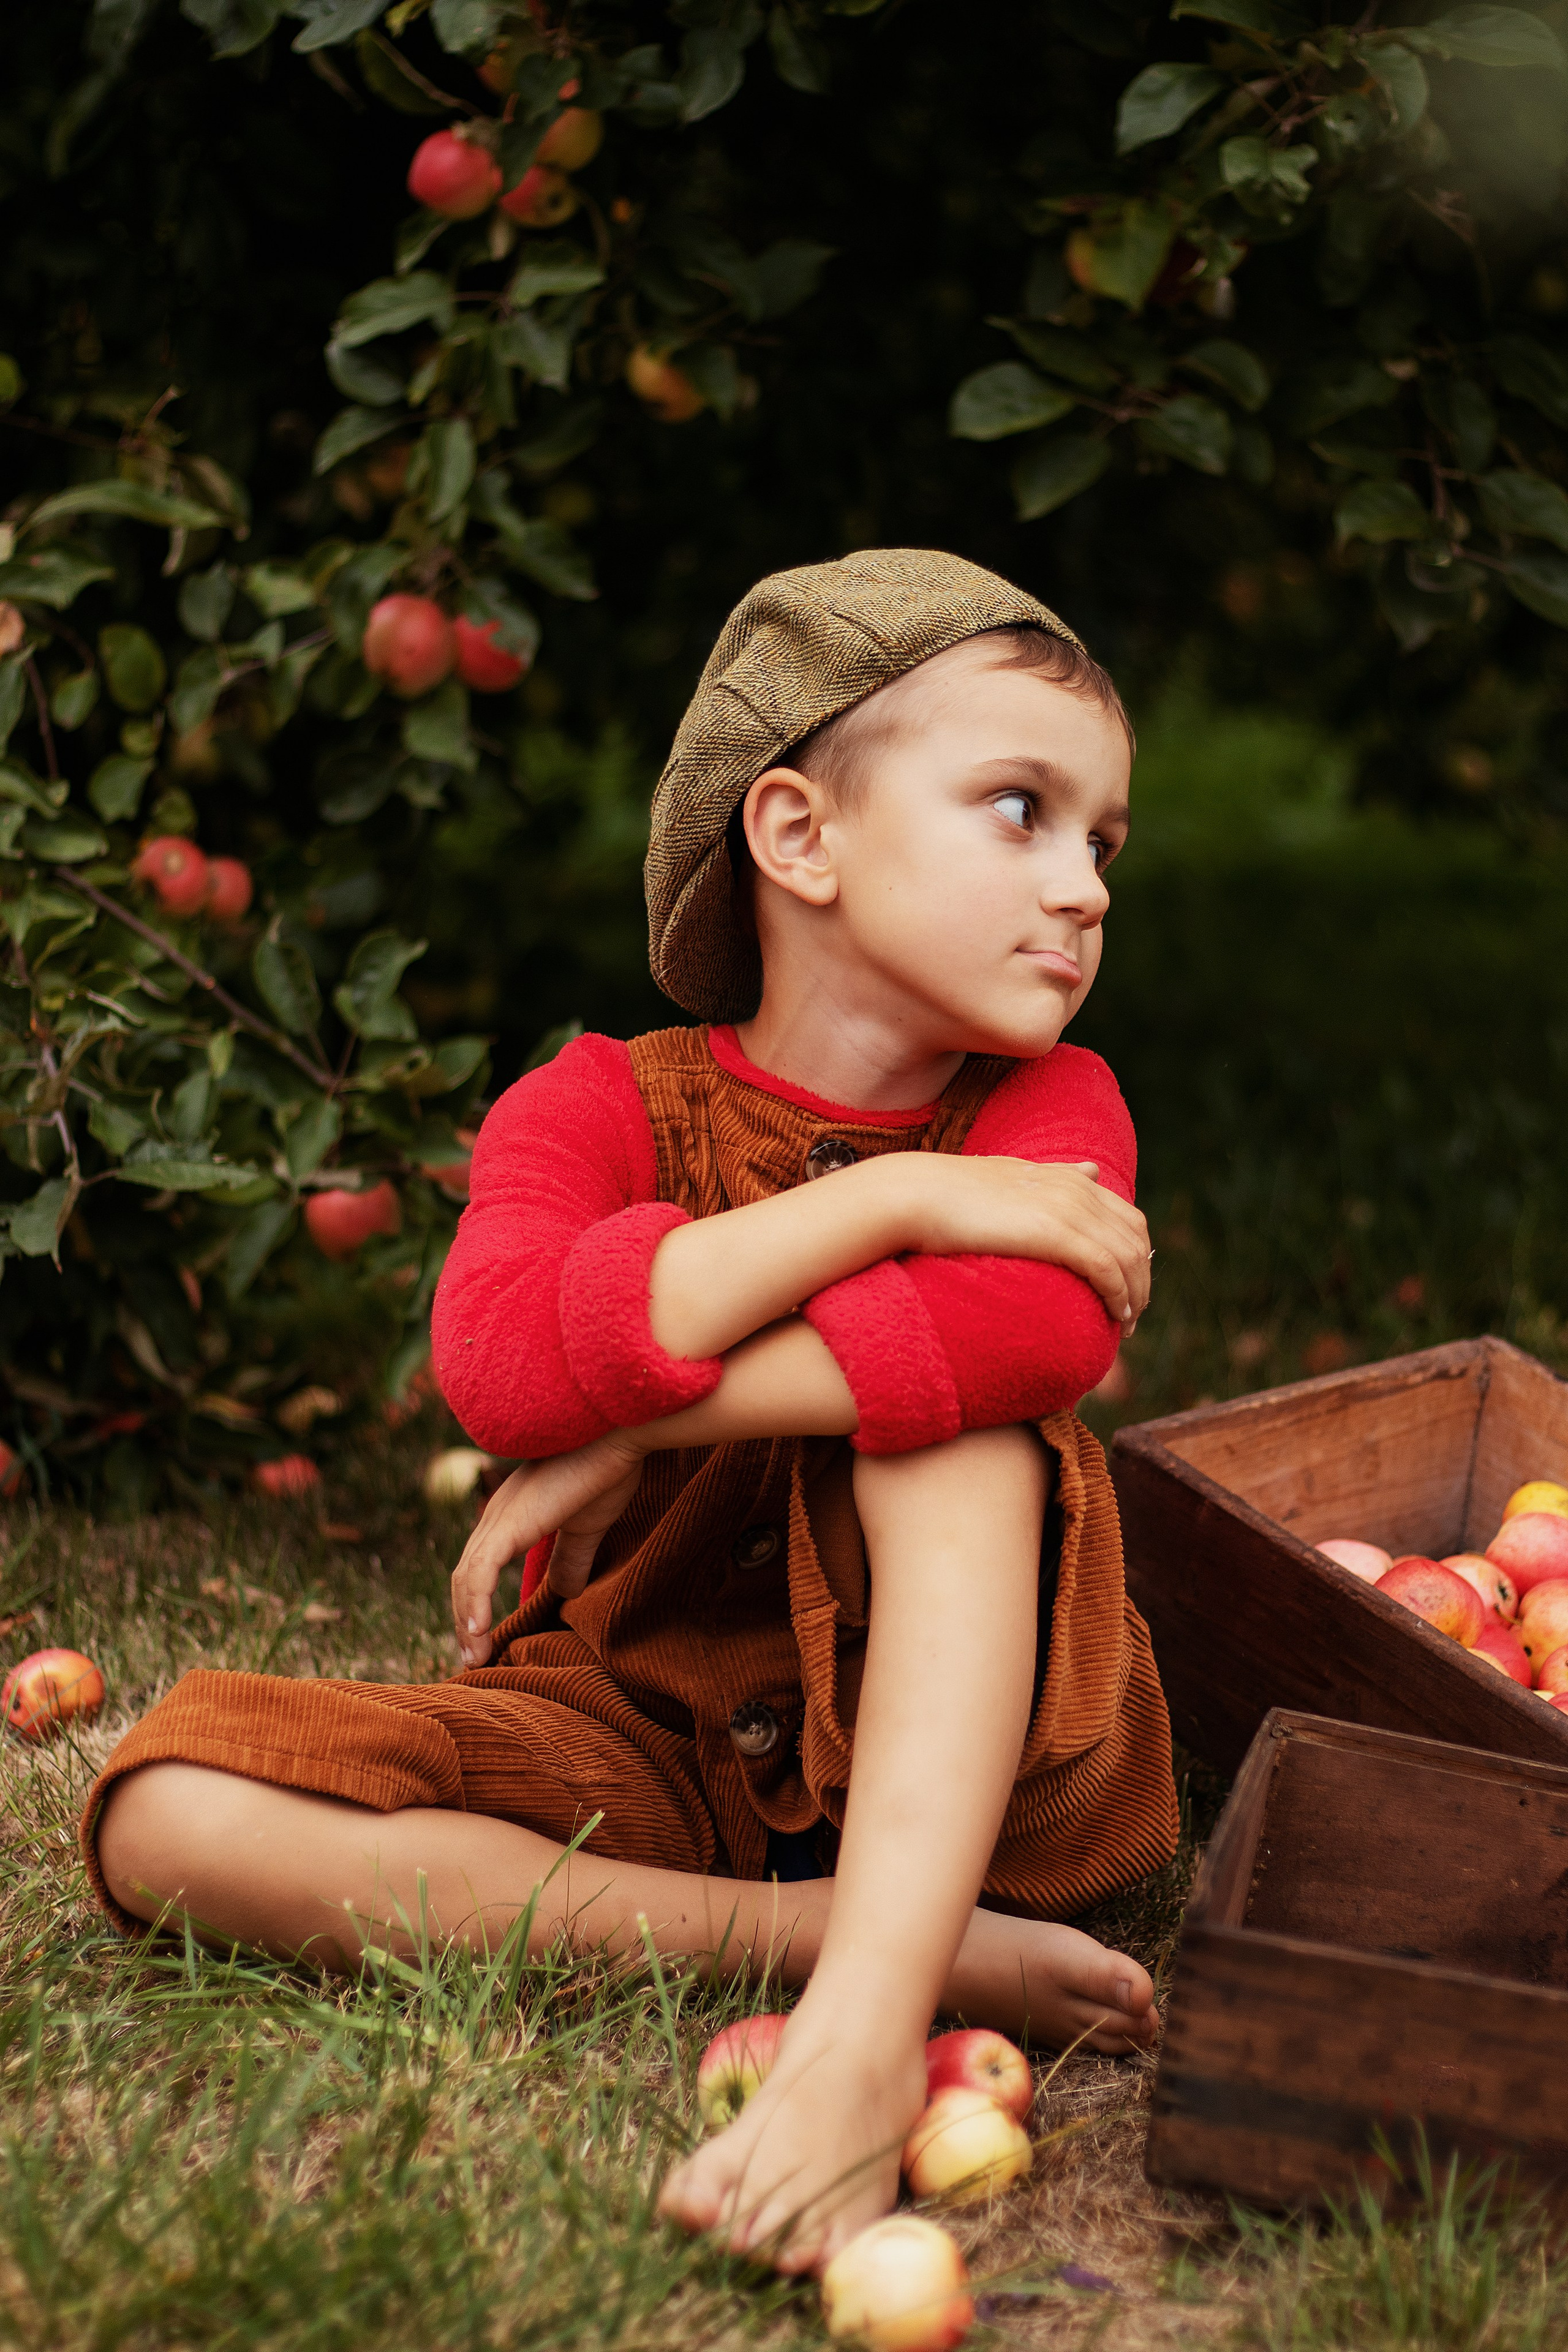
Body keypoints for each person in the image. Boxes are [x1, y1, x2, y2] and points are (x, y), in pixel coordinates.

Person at [85, 548, 1177, 2274]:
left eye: (1101, 842)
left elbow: (1026, 1341)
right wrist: (888, 1207)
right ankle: (810, 1935)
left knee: (954, 1422)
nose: (1087, 887)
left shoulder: (1052, 1108)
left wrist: (638, 1423)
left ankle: (855, 2045)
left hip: (997, 1768)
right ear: (798, 835)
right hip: (644, 1733)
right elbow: (498, 1363)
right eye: (1022, 811)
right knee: (163, 1814)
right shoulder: (592, 1107)